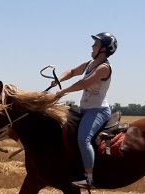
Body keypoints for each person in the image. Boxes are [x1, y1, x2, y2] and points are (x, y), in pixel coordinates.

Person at [53, 32, 118, 189]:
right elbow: (73, 71)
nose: (92, 46)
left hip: (98, 111)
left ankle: (89, 178)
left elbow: (84, 83)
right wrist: (59, 79)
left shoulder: (104, 68)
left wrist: (63, 92)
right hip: (85, 109)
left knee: (84, 139)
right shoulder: (90, 63)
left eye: (95, 44)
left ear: (103, 49)